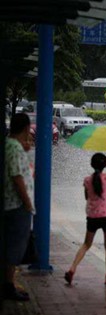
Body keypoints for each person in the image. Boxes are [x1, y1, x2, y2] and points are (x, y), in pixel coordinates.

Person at [64, 153, 106, 285]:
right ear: (105, 165)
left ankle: (72, 268)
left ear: (92, 165)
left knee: (86, 244)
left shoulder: (87, 180)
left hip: (92, 217)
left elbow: (87, 198)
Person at [3, 113, 34, 301]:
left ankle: (9, 282)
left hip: (14, 204)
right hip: (16, 205)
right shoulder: (14, 148)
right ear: (25, 128)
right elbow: (17, 177)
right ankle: (8, 286)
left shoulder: (11, 145)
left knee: (13, 245)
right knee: (14, 247)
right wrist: (27, 202)